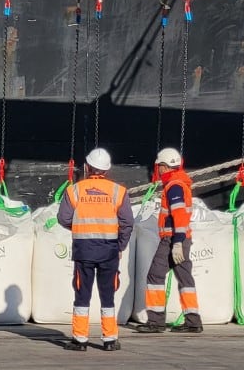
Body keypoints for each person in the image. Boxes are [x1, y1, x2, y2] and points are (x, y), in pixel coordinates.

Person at [56, 147, 133, 352]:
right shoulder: (119, 192)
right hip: (109, 251)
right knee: (108, 295)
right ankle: (110, 340)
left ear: (87, 167)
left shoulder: (74, 190)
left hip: (84, 250)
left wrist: (80, 226)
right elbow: (127, 223)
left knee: (82, 295)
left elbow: (63, 218)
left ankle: (80, 340)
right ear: (106, 170)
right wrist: (120, 246)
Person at [135, 147, 203, 334]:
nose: (158, 170)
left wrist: (177, 242)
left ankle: (155, 321)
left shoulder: (173, 186)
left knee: (155, 275)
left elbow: (178, 214)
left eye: (159, 167)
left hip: (172, 239)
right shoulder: (181, 183)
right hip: (182, 237)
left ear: (164, 167)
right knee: (185, 278)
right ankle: (193, 321)